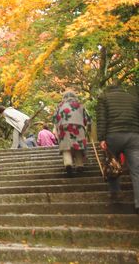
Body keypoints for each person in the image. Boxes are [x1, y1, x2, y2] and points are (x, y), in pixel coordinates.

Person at [97, 85, 139, 215]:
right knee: (136, 170)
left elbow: (102, 119)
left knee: (111, 163)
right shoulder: (133, 98)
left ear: (108, 90)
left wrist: (101, 138)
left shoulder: (104, 98)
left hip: (113, 136)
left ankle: (115, 193)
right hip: (133, 136)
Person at [53, 91, 90, 176]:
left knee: (66, 148)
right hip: (78, 127)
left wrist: (57, 129)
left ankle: (68, 164)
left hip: (64, 127)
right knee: (78, 147)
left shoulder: (59, 106)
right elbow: (87, 119)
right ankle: (79, 165)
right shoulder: (80, 105)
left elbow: (55, 119)